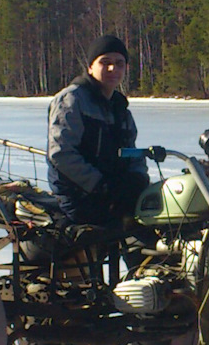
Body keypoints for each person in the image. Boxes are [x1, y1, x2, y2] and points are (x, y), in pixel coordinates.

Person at [47, 35, 150, 226]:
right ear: (90, 67)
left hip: (111, 193)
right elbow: (61, 154)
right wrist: (100, 185)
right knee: (114, 231)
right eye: (105, 62)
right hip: (78, 195)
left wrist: (138, 177)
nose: (113, 69)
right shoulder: (72, 100)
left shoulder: (120, 108)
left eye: (119, 63)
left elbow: (132, 151)